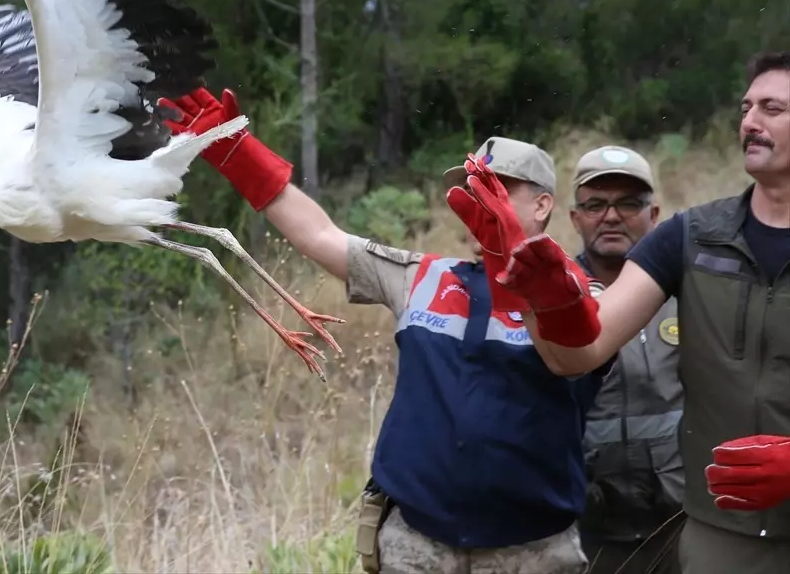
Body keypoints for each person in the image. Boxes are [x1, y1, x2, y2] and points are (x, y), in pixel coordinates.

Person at [159, 87, 607, 574]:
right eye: (474, 187)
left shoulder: (579, 295)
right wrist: (236, 151)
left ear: (542, 205)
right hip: (415, 543)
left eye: (499, 187)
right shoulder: (424, 275)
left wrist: (518, 261)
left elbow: (582, 344)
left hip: (532, 551)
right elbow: (321, 236)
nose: (481, 199)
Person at [450, 50, 790, 574]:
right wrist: (541, 294)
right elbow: (579, 352)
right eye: (746, 107)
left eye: (772, 108)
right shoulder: (691, 238)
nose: (750, 121)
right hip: (720, 540)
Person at [569, 146, 685, 573]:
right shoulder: (552, 299)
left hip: (681, 527)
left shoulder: (691, 292)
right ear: (575, 218)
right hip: (586, 530)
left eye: (628, 203)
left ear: (654, 214)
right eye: (596, 204)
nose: (612, 216)